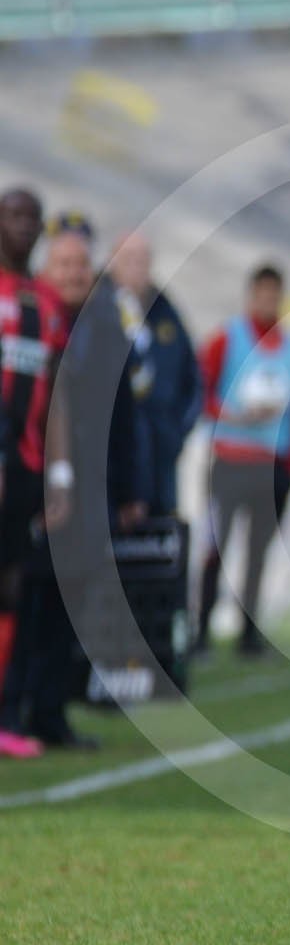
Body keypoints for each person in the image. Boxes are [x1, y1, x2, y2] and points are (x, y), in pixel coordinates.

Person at [0, 216, 148, 749]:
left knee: (73, 603)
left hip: (92, 489)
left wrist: (134, 490)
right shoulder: (29, 318)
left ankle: (50, 711)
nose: (72, 273)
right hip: (38, 480)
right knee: (30, 597)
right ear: (46, 269)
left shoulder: (109, 327)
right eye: (62, 264)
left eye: (81, 265)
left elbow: (128, 418)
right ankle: (12, 711)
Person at [197, 263, 290, 658]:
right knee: (215, 547)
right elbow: (198, 387)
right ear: (251, 295)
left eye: (275, 295)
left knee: (259, 552)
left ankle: (249, 633)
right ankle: (201, 632)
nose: (268, 301)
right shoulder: (228, 339)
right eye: (262, 293)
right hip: (230, 460)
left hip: (270, 465)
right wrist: (228, 416)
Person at [0, 189, 69, 760]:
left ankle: (4, 716)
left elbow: (57, 402)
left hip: (23, 472)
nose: (25, 226)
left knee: (12, 589)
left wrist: (58, 476)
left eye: (31, 218)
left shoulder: (45, 304)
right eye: (14, 215)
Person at [106, 232, 203, 516]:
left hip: (161, 455)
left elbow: (192, 379)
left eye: (143, 259)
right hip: (114, 460)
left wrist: (176, 433)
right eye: (129, 259)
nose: (138, 267)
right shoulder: (98, 307)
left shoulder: (166, 311)